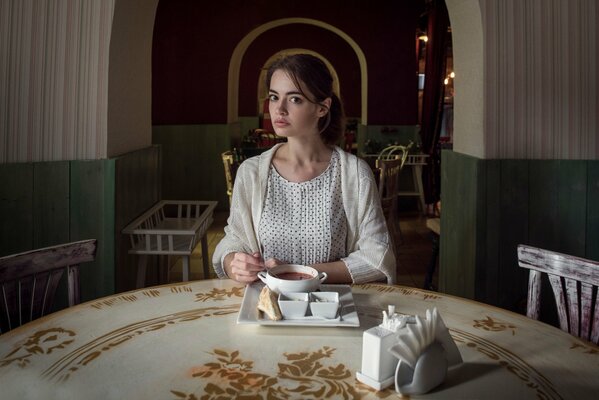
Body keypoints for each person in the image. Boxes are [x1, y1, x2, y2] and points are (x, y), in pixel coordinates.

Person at [212, 54, 396, 284]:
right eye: (273, 97)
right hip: (266, 307)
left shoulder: (354, 174)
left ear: (322, 107)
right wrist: (234, 263)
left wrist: (297, 273)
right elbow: (234, 239)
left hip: (332, 310)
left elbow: (377, 258)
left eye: (295, 99)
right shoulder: (251, 173)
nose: (279, 109)